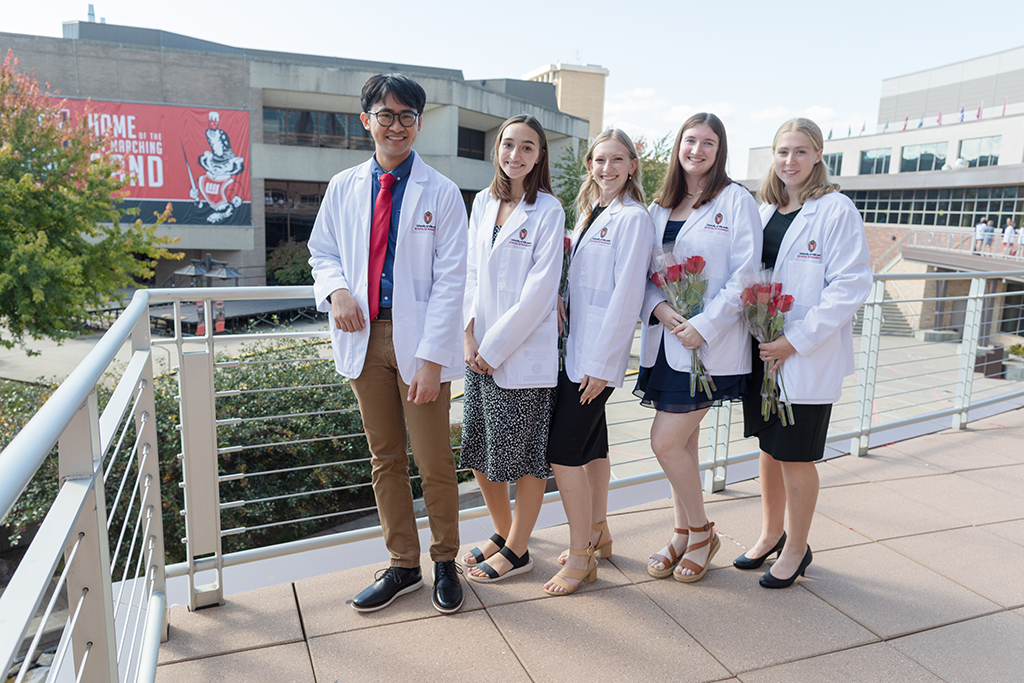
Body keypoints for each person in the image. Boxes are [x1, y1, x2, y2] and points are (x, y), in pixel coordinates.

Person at [307, 73, 467, 614]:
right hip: (362, 337)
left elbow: (451, 283)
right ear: (366, 121)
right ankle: (403, 564)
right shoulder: (343, 186)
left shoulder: (441, 193)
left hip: (419, 342)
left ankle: (446, 560)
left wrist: (430, 360)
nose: (395, 125)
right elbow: (321, 252)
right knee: (385, 459)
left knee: (434, 458)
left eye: (406, 117)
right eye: (385, 115)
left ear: (418, 125)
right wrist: (337, 291)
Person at [735, 118, 871, 588]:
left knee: (795, 455)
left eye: (799, 151)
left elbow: (851, 285)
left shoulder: (836, 210)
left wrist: (796, 340)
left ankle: (796, 546)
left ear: (817, 155)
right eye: (781, 151)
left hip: (803, 353)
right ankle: (771, 533)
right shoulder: (765, 208)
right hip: (764, 349)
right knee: (769, 449)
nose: (789, 161)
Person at [635, 113, 761, 583]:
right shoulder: (658, 206)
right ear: (679, 147)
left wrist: (703, 325)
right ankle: (682, 533)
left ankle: (703, 532)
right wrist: (662, 310)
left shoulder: (735, 200)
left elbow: (746, 272)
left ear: (719, 150)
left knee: (663, 442)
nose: (698, 150)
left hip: (711, 345)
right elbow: (643, 275)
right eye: (691, 141)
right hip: (666, 341)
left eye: (709, 143)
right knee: (682, 444)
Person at [543, 130, 655, 596]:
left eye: (617, 160)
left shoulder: (634, 219)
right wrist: (562, 299)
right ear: (589, 164)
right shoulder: (590, 210)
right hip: (577, 348)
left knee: (563, 452)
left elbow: (627, 295)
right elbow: (587, 280)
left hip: (596, 359)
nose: (606, 168)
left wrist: (604, 364)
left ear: (632, 165)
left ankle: (581, 556)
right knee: (593, 448)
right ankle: (599, 532)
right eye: (599, 160)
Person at [460, 115, 564, 583]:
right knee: (481, 450)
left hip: (519, 355)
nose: (515, 155)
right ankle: (505, 534)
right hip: (476, 350)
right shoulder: (483, 202)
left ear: (539, 155)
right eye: (508, 145)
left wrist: (494, 347)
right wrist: (467, 335)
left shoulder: (549, 210)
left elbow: (540, 293)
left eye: (527, 147)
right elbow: (470, 274)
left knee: (523, 455)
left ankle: (519, 549)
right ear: (496, 150)